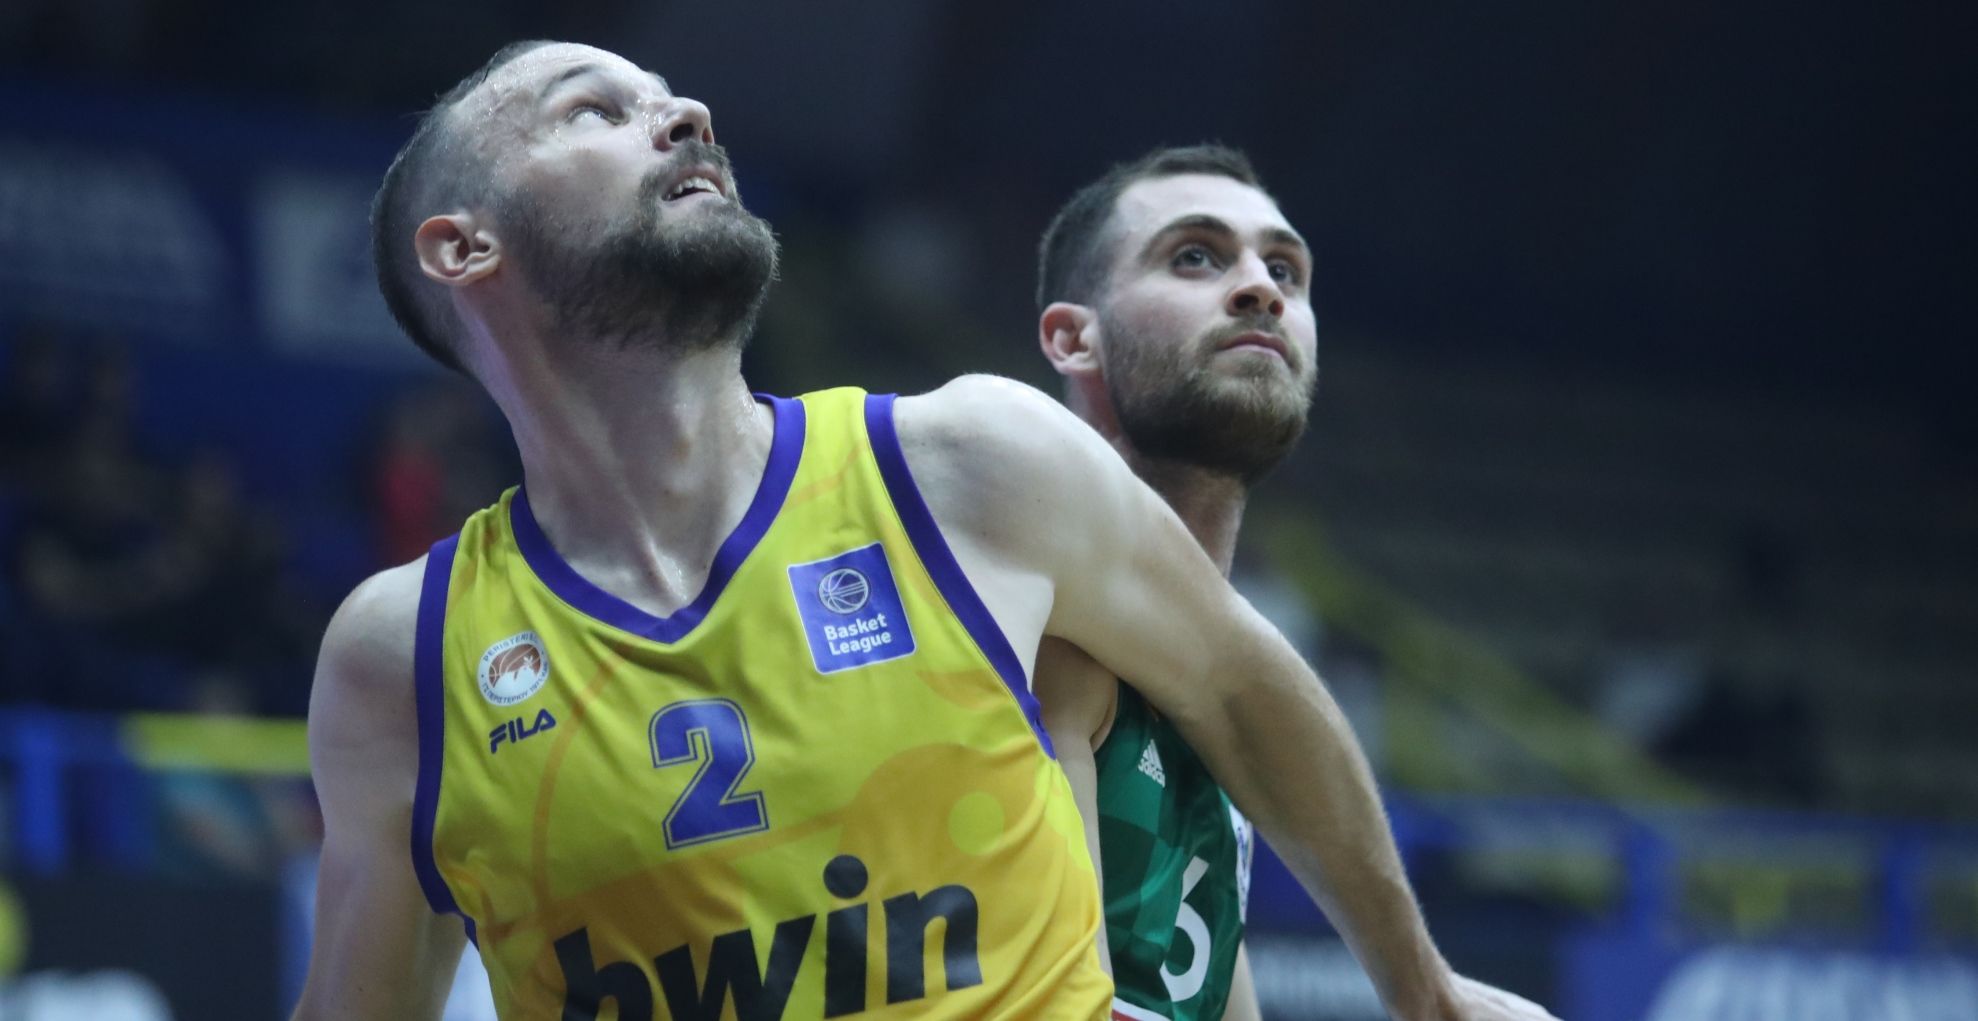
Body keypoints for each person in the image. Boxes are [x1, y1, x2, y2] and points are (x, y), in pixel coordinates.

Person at [292, 40, 1553, 1021]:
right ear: (463, 246)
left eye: (670, 99)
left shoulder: (961, 464)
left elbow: (1237, 685)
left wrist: (1422, 987)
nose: (684, 116)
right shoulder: (404, 657)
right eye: (593, 111)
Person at [1030, 146, 1558, 1021]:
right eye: (1194, 256)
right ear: (1072, 337)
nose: (1260, 289)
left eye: (1285, 270)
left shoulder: (1225, 727)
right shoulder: (1029, 617)